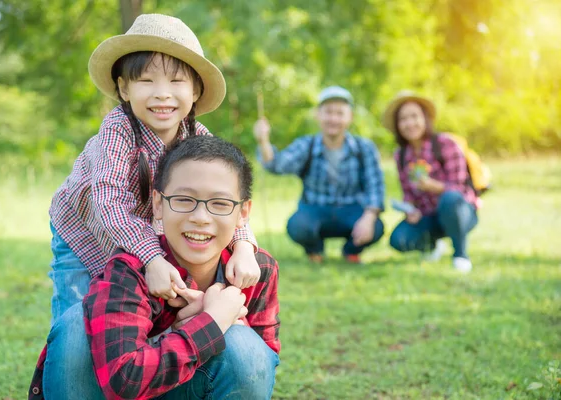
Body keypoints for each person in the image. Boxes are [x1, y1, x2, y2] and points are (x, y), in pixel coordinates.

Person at [47, 13, 260, 330]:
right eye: (146, 81)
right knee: (77, 317)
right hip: (84, 229)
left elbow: (227, 196)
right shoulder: (117, 131)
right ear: (124, 88)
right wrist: (152, 258)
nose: (162, 93)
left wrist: (243, 246)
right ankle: (67, 367)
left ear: (196, 91)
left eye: (176, 81)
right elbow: (110, 202)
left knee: (144, 302)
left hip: (140, 232)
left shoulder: (198, 138)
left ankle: (145, 364)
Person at [29, 135, 280, 400]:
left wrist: (230, 323)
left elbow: (261, 363)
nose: (200, 218)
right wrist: (214, 320)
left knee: (245, 346)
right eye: (184, 199)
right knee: (77, 325)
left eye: (220, 203)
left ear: (243, 213)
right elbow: (125, 381)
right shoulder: (130, 271)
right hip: (118, 392)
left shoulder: (256, 269)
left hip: (189, 388)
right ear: (158, 205)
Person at [253, 86, 385, 263]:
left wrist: (369, 217)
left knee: (376, 226)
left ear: (350, 117)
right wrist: (264, 141)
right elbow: (276, 165)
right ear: (318, 115)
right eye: (328, 112)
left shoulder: (364, 148)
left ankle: (351, 251)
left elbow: (375, 188)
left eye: (340, 113)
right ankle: (314, 250)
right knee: (297, 225)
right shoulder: (306, 145)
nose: (333, 118)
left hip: (352, 211)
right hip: (315, 210)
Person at [383, 90, 479, 273]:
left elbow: (459, 190)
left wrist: (434, 187)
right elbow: (408, 193)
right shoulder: (402, 155)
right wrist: (410, 209)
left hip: (460, 213)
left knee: (450, 199)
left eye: (414, 116)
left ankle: (461, 254)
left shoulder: (445, 144)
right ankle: (433, 245)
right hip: (428, 217)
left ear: (425, 118)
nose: (409, 123)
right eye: (403, 119)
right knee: (398, 239)